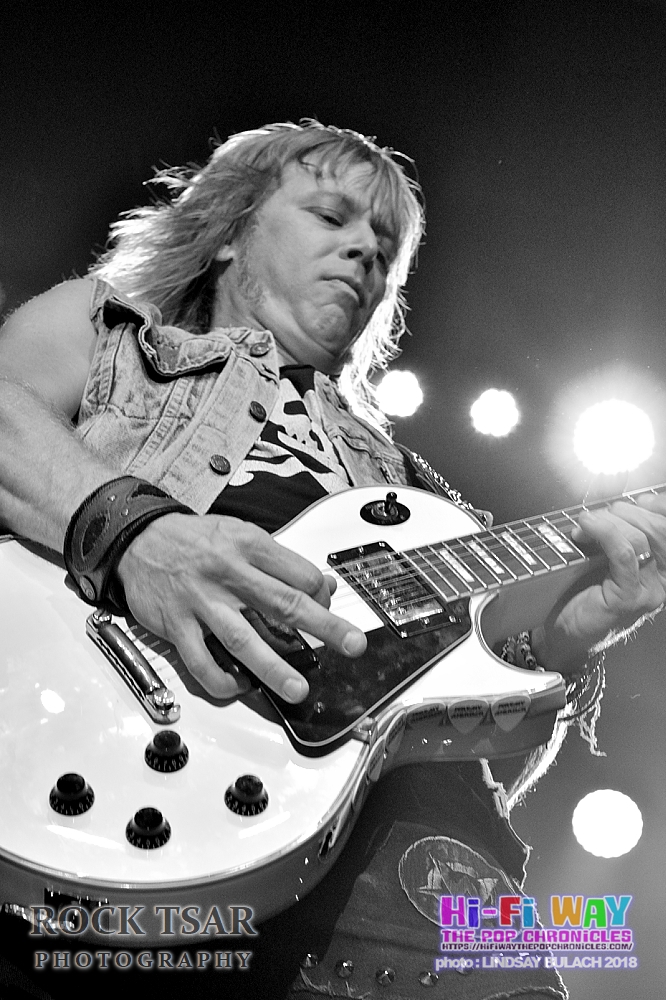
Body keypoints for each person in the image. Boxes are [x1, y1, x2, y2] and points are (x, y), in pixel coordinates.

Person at [0, 120, 664, 1000]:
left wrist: (571, 628)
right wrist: (137, 534)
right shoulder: (113, 334)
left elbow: (478, 738)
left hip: (405, 867)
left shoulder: (418, 490)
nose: (366, 252)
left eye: (385, 245)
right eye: (331, 216)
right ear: (230, 231)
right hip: (109, 776)